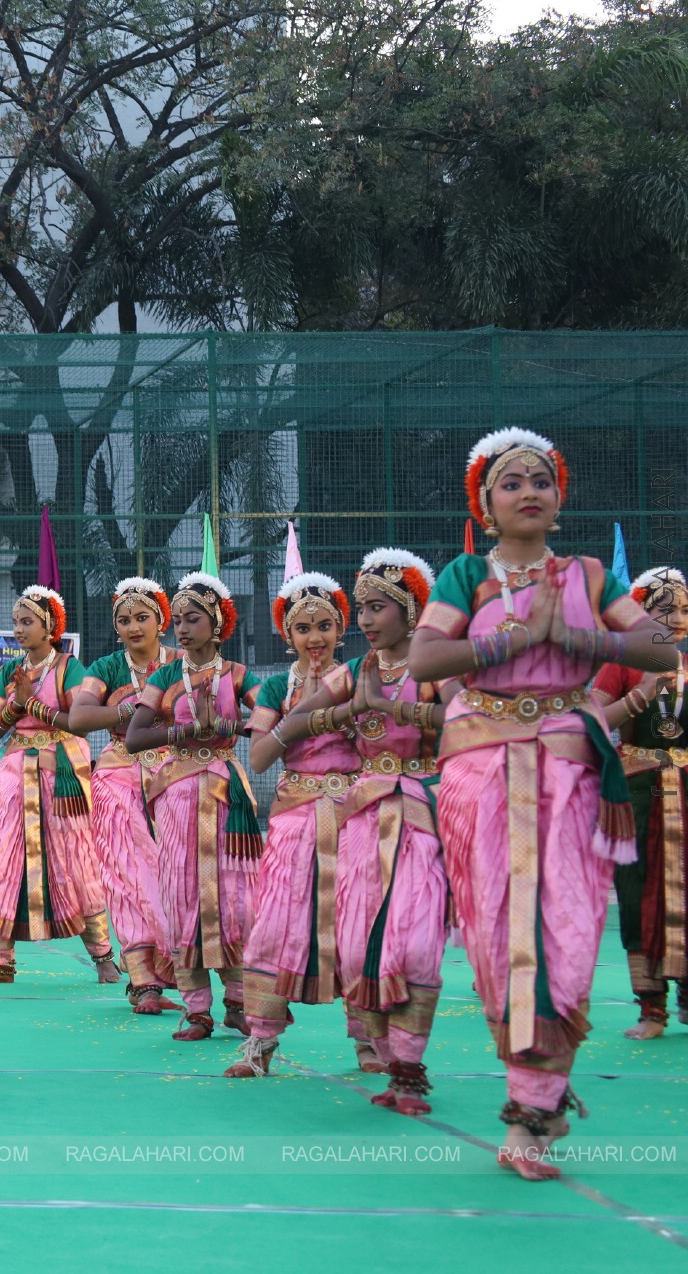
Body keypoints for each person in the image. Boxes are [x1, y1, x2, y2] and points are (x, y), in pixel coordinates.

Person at [410, 427, 677, 1180]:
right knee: (499, 934)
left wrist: (578, 636)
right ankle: (530, 1101)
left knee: (562, 933)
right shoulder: (467, 575)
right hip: (480, 777)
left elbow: (661, 649)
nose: (529, 490)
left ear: (559, 501)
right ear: (487, 507)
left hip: (567, 774)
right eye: (511, 482)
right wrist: (509, 643)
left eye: (542, 481)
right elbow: (428, 659)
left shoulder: (590, 578)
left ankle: (537, 1107)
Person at [267, 550, 454, 1112]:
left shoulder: (434, 668)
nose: (368, 620)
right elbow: (291, 724)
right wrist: (344, 711)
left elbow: (468, 719)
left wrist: (394, 712)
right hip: (361, 821)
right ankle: (391, 1060)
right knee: (357, 946)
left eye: (379, 608)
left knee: (415, 945)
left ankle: (409, 1067)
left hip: (422, 815)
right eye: (365, 608)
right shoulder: (353, 673)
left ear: (411, 612)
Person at [221, 572, 354, 1078]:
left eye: (324, 626)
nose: (314, 638)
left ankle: (371, 1044)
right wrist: (304, 718)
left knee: (357, 928)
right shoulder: (276, 686)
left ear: (340, 628)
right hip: (293, 820)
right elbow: (257, 758)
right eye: (303, 628)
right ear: (287, 634)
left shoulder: (358, 677)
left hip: (353, 818)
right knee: (274, 926)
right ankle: (260, 1044)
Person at [125, 572, 263, 1041]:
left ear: (218, 623)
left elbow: (270, 718)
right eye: (178, 620)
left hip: (227, 793)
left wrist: (231, 725)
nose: (182, 629)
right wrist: (183, 732)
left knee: (235, 899)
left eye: (193, 619)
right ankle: (197, 1009)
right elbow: (135, 737)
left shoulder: (238, 675)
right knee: (184, 897)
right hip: (179, 792)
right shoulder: (166, 676)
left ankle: (239, 1002)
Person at [0, 585, 117, 985]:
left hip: (62, 779)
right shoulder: (9, 672)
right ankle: (0, 962)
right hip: (16, 777)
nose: (19, 629)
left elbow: (78, 721)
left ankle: (104, 957)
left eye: (27, 622)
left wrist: (31, 704)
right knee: (1, 860)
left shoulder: (70, 668)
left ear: (49, 627)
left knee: (76, 861)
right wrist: (15, 706)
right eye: (16, 622)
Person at [73, 577, 182, 1013]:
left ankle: (200, 984)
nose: (133, 626)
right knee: (129, 879)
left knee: (177, 877)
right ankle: (144, 983)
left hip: (177, 776)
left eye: (142, 617)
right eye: (124, 620)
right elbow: (80, 717)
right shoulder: (105, 668)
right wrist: (130, 712)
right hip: (118, 777)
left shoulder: (182, 661)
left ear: (161, 621)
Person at [596, 565, 688, 1039]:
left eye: (684, 609)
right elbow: (591, 716)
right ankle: (651, 1008)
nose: (676, 618)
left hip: (685, 793)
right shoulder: (622, 664)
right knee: (636, 893)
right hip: (636, 791)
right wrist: (640, 695)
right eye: (664, 608)